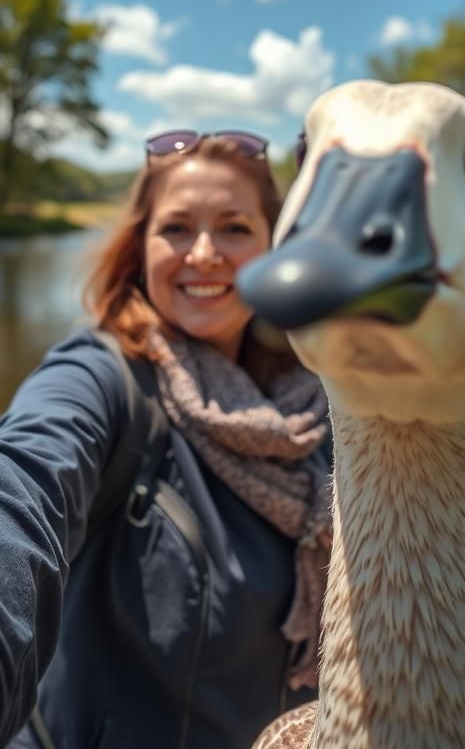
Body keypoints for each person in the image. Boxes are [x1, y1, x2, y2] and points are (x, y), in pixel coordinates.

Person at [0, 129, 332, 749]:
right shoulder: (102, 377)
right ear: (140, 249)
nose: (204, 253)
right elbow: (21, 487)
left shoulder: (320, 410)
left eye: (235, 229)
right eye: (176, 228)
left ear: (275, 251)